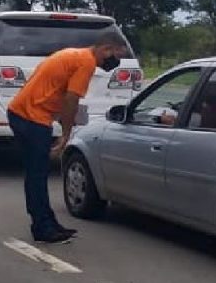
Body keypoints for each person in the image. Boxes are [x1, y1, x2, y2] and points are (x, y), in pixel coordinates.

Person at [7, 32, 129, 244]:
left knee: (37, 173)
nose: (116, 61)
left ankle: (47, 222)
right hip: (31, 117)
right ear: (106, 49)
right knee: (37, 174)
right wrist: (66, 134)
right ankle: (42, 227)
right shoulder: (86, 62)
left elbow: (62, 95)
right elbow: (71, 99)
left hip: (25, 113)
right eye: (117, 55)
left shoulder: (75, 55)